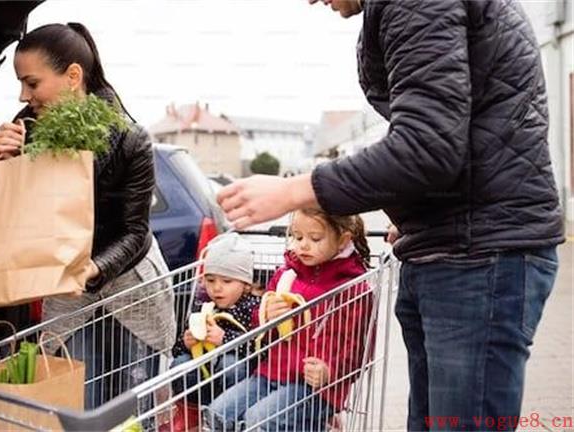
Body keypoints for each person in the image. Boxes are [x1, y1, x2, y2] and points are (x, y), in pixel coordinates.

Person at [217, 1, 564, 430]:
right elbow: (454, 134)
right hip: (457, 243)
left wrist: (292, 190)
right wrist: (418, 211)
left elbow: (427, 147)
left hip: (477, 255)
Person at [0, 23, 176, 410]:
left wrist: (94, 268)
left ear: (73, 76)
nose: (24, 95)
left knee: (131, 408)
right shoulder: (26, 132)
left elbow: (135, 230)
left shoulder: (130, 138)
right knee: (77, 403)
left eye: (32, 83)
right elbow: (13, 218)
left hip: (130, 287)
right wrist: (2, 165)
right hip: (67, 291)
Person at [206, 209, 372, 431]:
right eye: (297, 236)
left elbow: (359, 350)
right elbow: (259, 329)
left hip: (316, 387)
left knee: (259, 420)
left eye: (315, 239)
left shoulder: (354, 289)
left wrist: (329, 370)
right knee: (218, 413)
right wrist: (266, 315)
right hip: (271, 372)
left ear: (343, 240)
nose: (303, 245)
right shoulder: (286, 274)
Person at [166, 233, 262, 432]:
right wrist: (186, 342)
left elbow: (259, 347)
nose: (217, 288)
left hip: (237, 380)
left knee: (230, 365)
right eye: (210, 280)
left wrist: (224, 339)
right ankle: (188, 414)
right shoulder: (203, 305)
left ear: (245, 284)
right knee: (180, 364)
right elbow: (177, 349)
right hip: (204, 375)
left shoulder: (253, 308)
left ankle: (230, 420)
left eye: (227, 281)